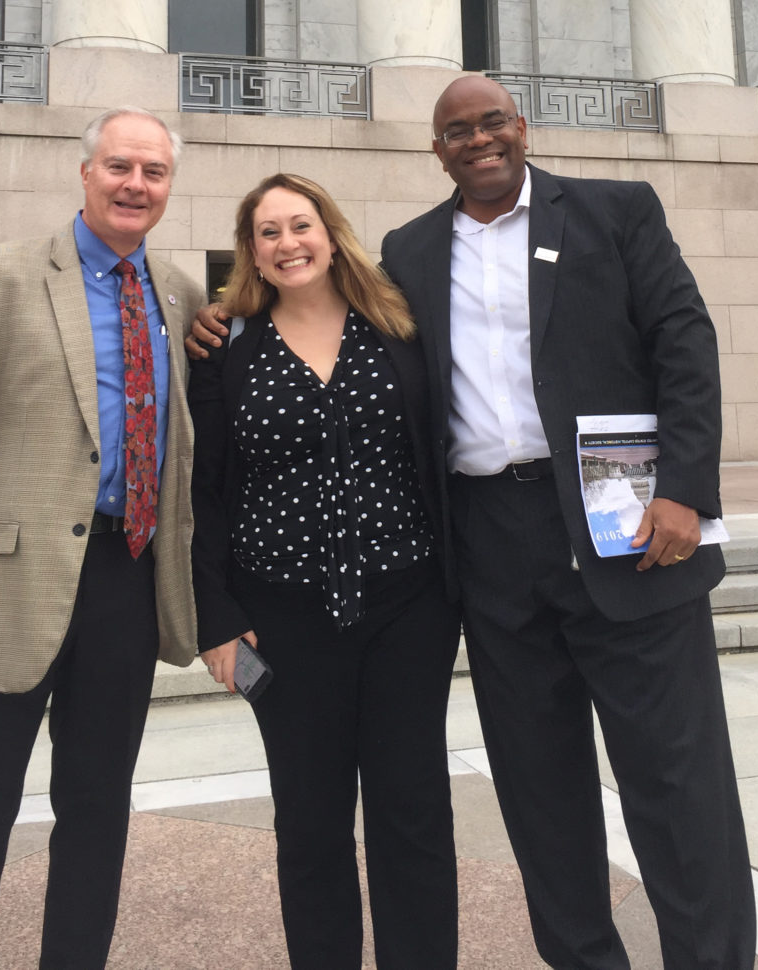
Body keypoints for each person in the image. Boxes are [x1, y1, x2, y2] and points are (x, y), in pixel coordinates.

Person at [189, 77, 757, 969]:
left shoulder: (618, 212)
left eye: (492, 122)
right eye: (458, 130)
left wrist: (686, 488)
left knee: (676, 785)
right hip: (490, 548)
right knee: (539, 789)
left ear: (521, 128)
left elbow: (685, 344)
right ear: (437, 149)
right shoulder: (408, 252)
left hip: (632, 531)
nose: (478, 140)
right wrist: (216, 319)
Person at [0, 106, 204, 970]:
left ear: (169, 186)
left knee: (98, 806)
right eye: (120, 167)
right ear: (85, 172)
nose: (136, 184)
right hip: (3, 593)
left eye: (153, 172)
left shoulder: (178, 292)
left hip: (127, 579)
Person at [189, 173, 461, 970]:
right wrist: (214, 619)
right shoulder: (227, 346)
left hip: (408, 608)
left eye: (299, 224)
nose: (287, 243)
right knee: (308, 825)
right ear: (251, 253)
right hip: (285, 618)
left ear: (331, 232)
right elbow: (204, 491)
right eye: (267, 233)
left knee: (412, 813)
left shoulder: (401, 329)